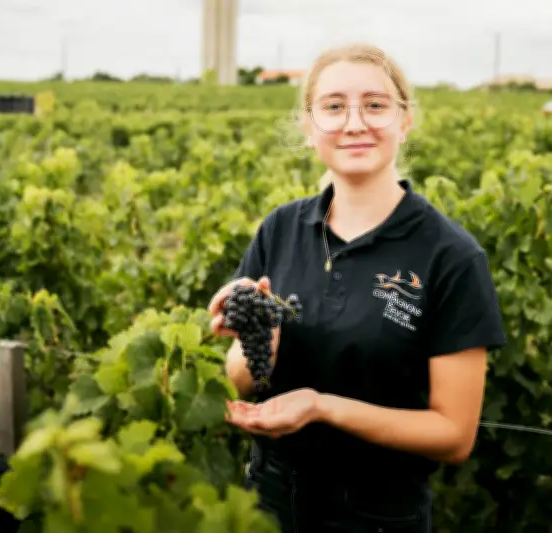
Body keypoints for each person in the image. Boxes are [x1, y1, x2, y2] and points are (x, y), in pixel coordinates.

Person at [207, 43, 506, 532]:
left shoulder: (451, 257)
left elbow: (454, 436)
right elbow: (242, 378)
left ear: (404, 120)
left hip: (380, 515)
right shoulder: (279, 229)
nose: (354, 123)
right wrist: (256, 342)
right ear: (308, 126)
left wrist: (323, 408)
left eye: (374, 104)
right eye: (333, 106)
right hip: (267, 499)